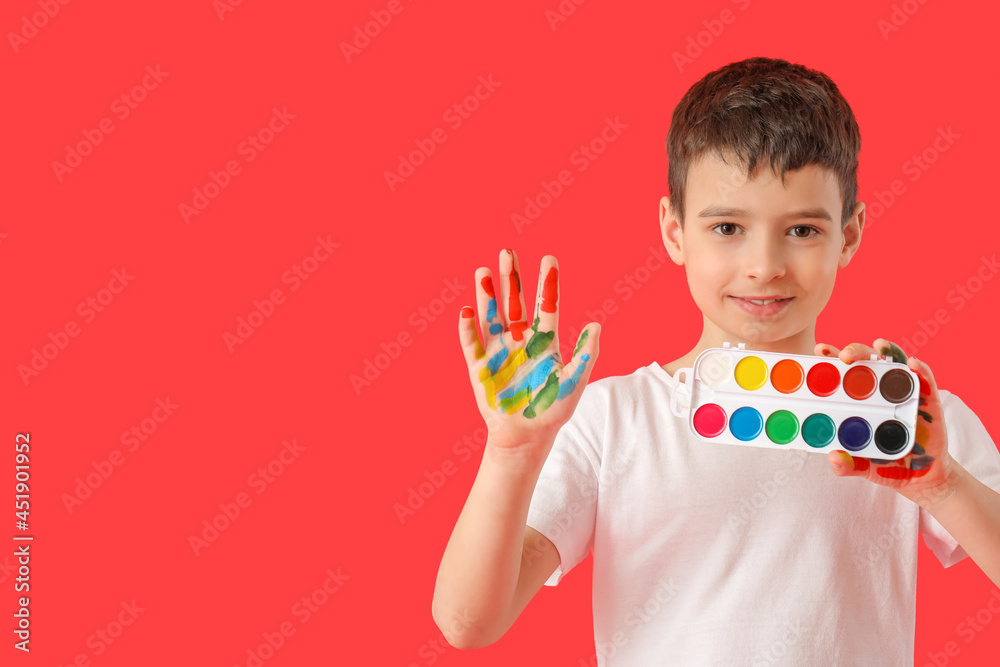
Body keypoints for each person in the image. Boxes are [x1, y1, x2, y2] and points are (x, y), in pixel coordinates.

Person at [431, 56, 1000, 665]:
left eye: (803, 230)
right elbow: (469, 623)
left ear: (850, 234)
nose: (764, 265)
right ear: (674, 232)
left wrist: (942, 486)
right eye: (728, 227)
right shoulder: (614, 420)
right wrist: (512, 453)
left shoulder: (900, 420)